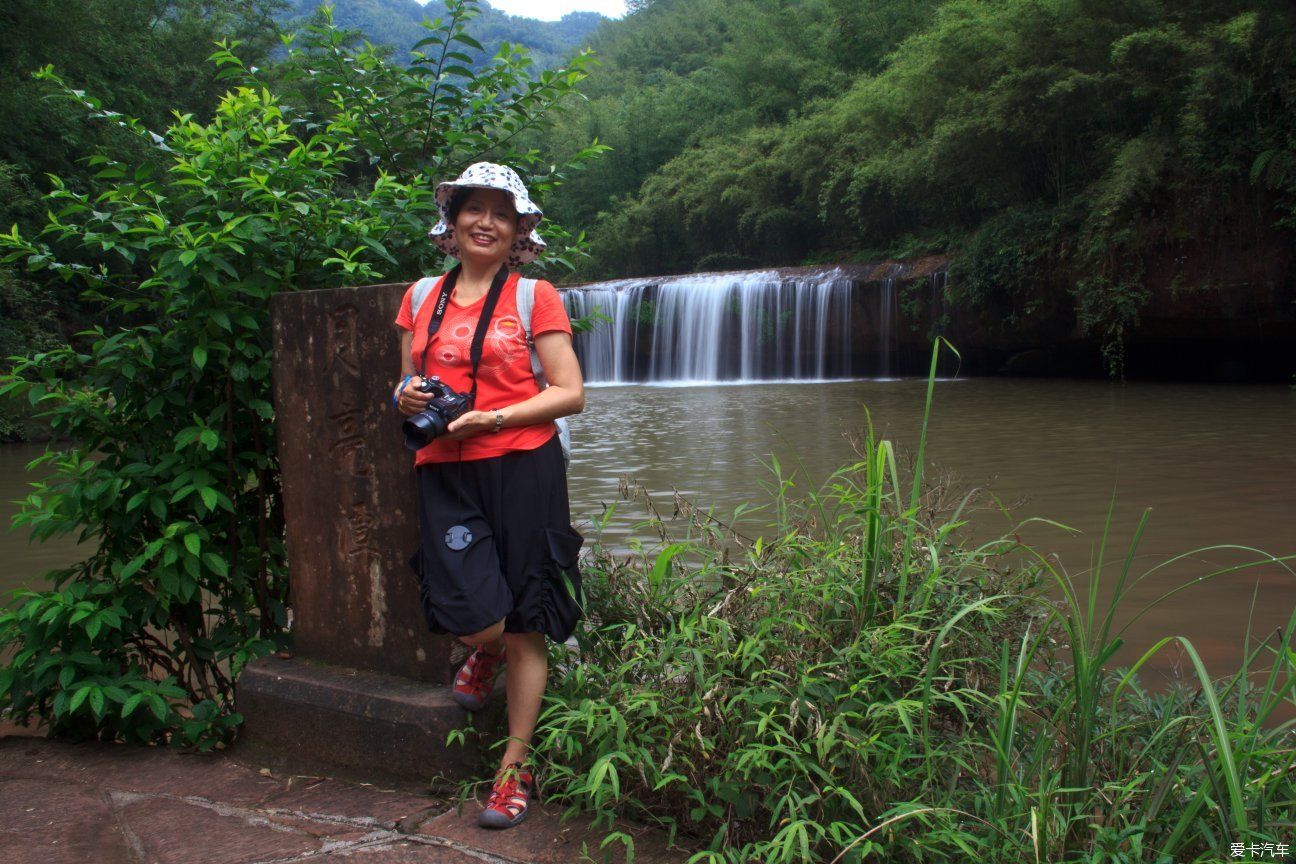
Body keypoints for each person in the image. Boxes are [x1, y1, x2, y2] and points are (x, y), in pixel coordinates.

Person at [392, 162, 585, 829]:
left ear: (517, 231)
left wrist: (496, 417)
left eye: (502, 214)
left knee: (528, 619)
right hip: (443, 466)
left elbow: (570, 392)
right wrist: (406, 394)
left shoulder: (535, 298)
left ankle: (513, 769)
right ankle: (485, 644)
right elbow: (406, 382)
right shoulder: (419, 298)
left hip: (522, 464)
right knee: (473, 611)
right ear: (452, 222)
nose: (486, 223)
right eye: (474, 209)